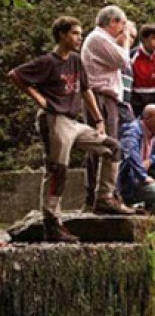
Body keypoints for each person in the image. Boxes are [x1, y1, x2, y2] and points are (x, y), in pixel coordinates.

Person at [8, 16, 133, 241]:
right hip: (54, 120)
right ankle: (52, 222)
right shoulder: (48, 61)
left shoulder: (75, 60)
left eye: (80, 33)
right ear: (62, 35)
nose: (79, 38)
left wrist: (98, 120)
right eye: (75, 33)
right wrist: (40, 100)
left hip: (74, 122)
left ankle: (104, 198)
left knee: (112, 148)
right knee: (58, 169)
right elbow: (16, 76)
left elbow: (85, 90)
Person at [81, 5, 133, 210]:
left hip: (105, 98)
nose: (123, 29)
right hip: (100, 98)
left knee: (104, 146)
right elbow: (124, 61)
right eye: (122, 24)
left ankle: (103, 194)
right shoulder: (98, 39)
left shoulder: (102, 40)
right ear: (113, 22)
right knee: (107, 146)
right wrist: (126, 41)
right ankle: (103, 196)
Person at [118, 105, 155, 211]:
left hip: (147, 169)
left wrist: (150, 161)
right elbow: (130, 155)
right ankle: (126, 201)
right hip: (131, 175)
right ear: (147, 118)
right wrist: (142, 176)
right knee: (152, 189)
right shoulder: (132, 131)